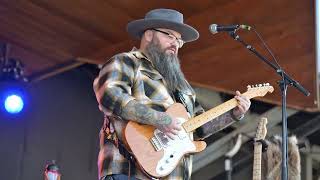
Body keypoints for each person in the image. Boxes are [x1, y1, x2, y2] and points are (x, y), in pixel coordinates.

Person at [93, 8, 251, 180]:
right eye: (169, 35)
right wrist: (160, 119)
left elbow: (198, 129)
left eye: (179, 40)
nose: (175, 43)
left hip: (173, 175)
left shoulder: (183, 87)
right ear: (149, 35)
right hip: (128, 170)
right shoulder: (127, 62)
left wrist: (234, 114)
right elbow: (110, 95)